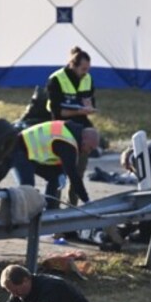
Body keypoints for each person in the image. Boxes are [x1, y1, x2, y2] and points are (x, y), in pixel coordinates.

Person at [46, 46, 98, 206]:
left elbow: (90, 101)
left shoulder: (88, 78)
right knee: (58, 174)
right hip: (61, 130)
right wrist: (80, 111)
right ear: (72, 65)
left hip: (82, 129)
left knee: (78, 173)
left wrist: (89, 107)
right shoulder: (56, 79)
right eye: (83, 69)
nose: (85, 72)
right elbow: (57, 111)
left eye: (88, 69)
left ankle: (72, 207)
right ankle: (53, 209)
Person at [10, 120, 99, 209]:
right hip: (20, 148)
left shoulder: (70, 134)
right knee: (27, 185)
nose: (88, 152)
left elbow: (59, 156)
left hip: (31, 152)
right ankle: (21, 214)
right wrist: (86, 200)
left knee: (54, 177)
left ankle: (49, 210)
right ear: (85, 138)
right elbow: (73, 175)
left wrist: (60, 172)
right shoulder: (68, 142)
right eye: (90, 148)